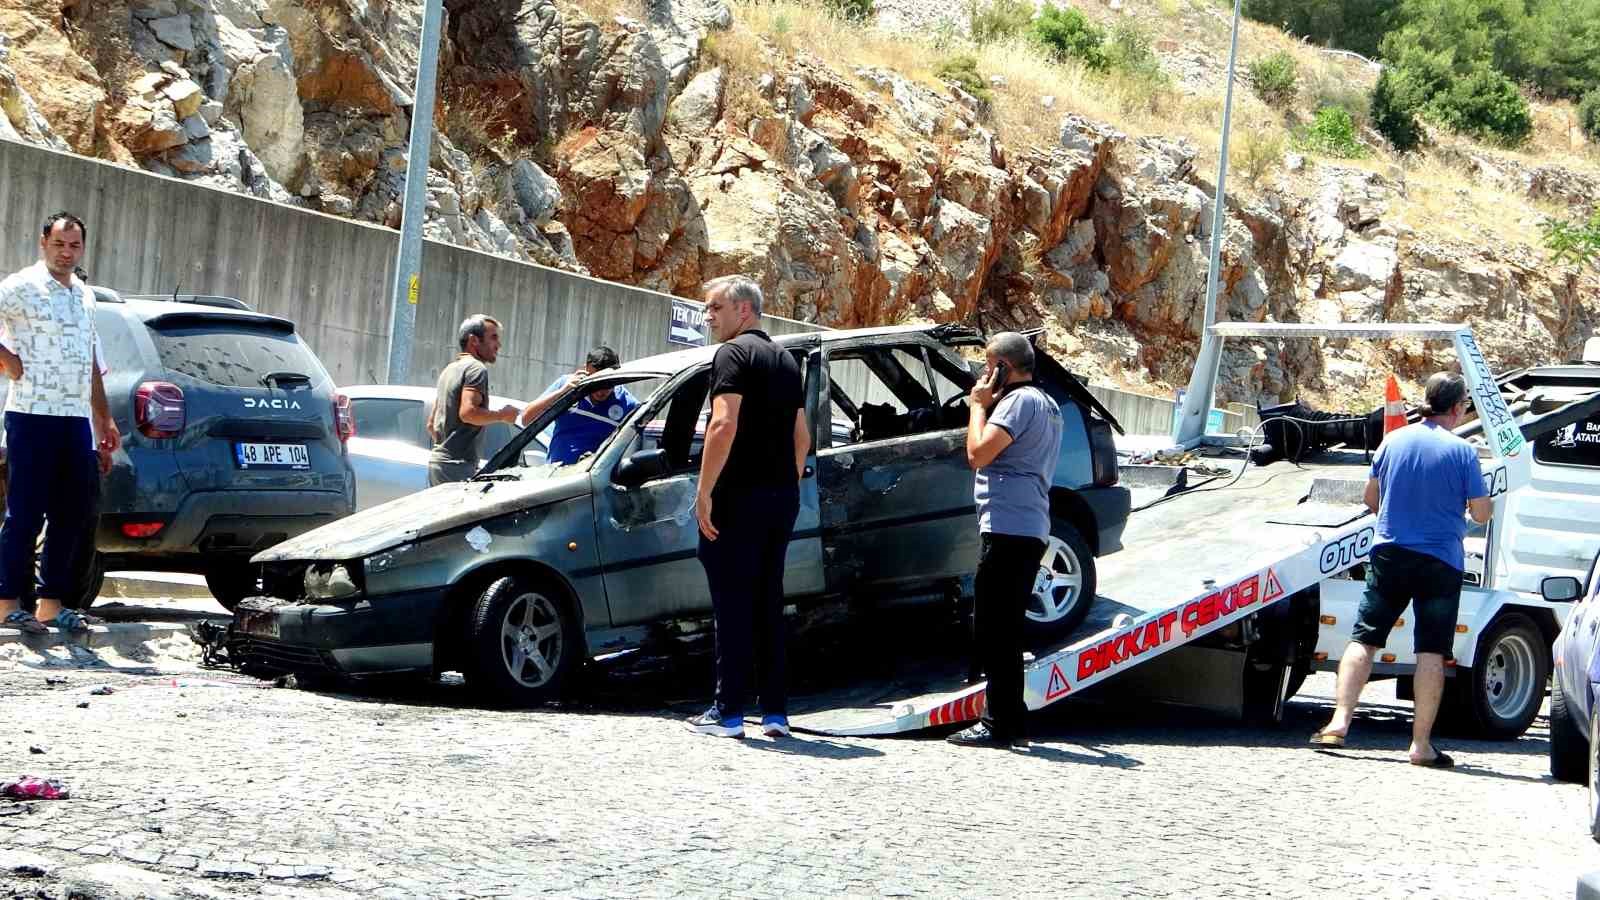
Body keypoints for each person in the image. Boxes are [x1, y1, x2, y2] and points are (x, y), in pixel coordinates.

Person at [1310, 371, 1491, 768]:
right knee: (1431, 650)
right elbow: (1480, 511)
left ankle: (1339, 724)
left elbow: (1371, 498)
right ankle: (1420, 745)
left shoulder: (1392, 441)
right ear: (1458, 407)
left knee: (1364, 638)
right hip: (1440, 561)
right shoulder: (1462, 452)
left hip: (1390, 553)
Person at [685, 275, 808, 739]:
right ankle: (775, 712)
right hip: (780, 500)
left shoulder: (732, 354)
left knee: (732, 603)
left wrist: (704, 493)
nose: (708, 316)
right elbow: (803, 438)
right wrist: (785, 487)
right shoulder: (785, 359)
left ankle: (729, 712)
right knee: (768, 602)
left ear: (743, 310)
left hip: (737, 498)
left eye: (714, 307)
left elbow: (722, 425)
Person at [0, 212, 121, 635]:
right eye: (59, 245)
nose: (66, 253)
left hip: (75, 421)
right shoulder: (20, 287)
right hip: (31, 415)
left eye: (74, 246)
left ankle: (51, 605)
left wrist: (103, 418)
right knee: (25, 514)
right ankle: (7, 603)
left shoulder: (84, 295)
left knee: (73, 515)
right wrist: (7, 360)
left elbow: (90, 361)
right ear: (43, 243)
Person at [948, 332, 1063, 749]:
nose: (983, 373)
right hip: (1028, 523)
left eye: (987, 365)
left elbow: (978, 453)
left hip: (1008, 524)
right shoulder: (1048, 405)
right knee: (1007, 628)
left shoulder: (1018, 402)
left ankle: (998, 722)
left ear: (1002, 368)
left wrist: (978, 407)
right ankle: (1011, 718)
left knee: (996, 627)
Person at [427, 315, 520, 486]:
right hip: (457, 467)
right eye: (493, 337)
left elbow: (431, 424)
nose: (498, 345)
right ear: (473, 340)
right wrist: (503, 415)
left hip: (438, 464)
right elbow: (468, 413)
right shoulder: (476, 369)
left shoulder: (449, 369)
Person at [517, 346, 640, 465]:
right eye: (596, 383)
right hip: (556, 477)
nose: (601, 391)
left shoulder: (628, 405)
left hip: (593, 481)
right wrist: (562, 392)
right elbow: (526, 419)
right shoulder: (566, 386)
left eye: (608, 384)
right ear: (585, 370)